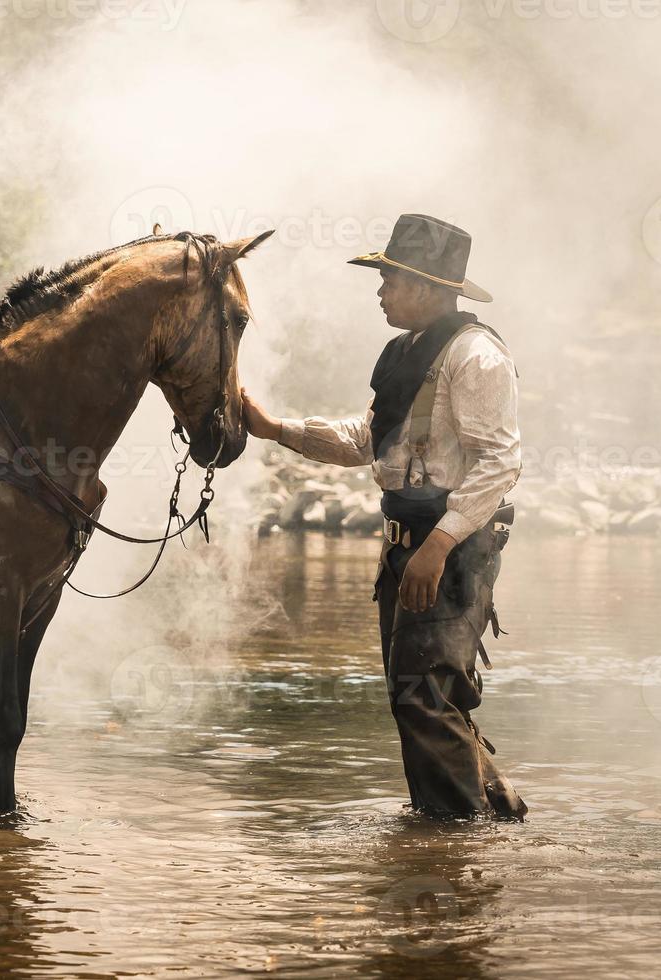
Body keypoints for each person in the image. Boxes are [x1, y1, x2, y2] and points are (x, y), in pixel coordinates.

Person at [241, 213, 527, 819]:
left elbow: (501, 463)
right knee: (422, 695)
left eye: (389, 280)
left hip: (446, 553)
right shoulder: (406, 352)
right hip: (407, 546)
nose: (380, 292)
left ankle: (452, 842)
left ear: (424, 287)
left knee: (423, 698)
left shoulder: (477, 356)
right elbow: (366, 441)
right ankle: (489, 818)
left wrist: (438, 545)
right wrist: (275, 429)